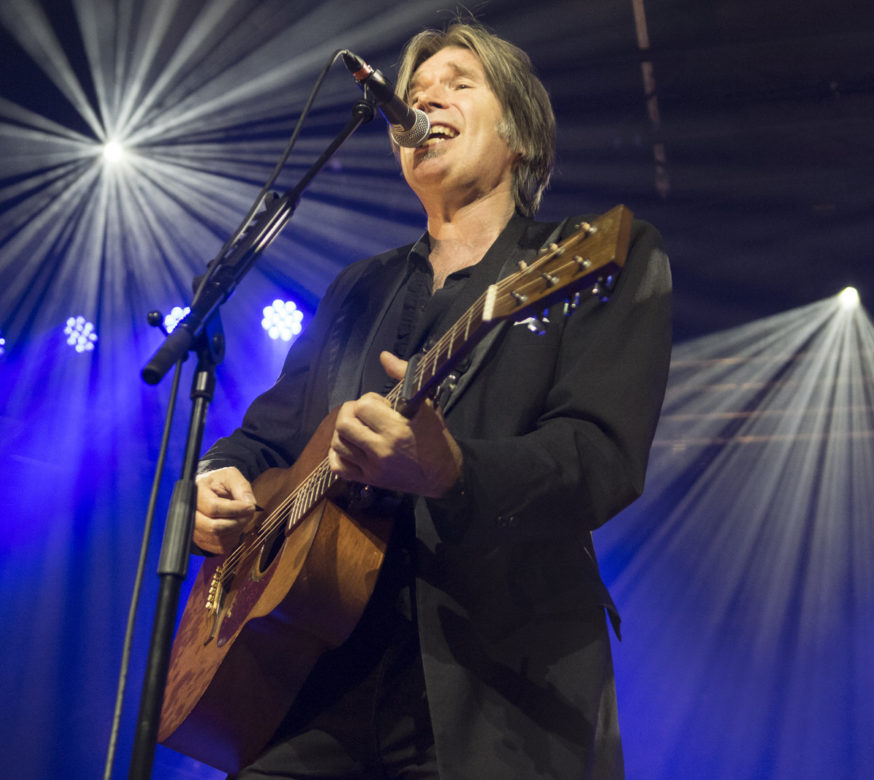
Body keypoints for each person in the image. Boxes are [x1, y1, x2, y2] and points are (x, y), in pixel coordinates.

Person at [191, 21, 672, 780]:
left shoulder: (591, 257)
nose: (424, 99)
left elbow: (599, 457)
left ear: (517, 131)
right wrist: (215, 480)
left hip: (495, 689)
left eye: (457, 83)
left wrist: (450, 470)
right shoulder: (357, 289)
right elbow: (268, 438)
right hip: (312, 689)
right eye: (414, 93)